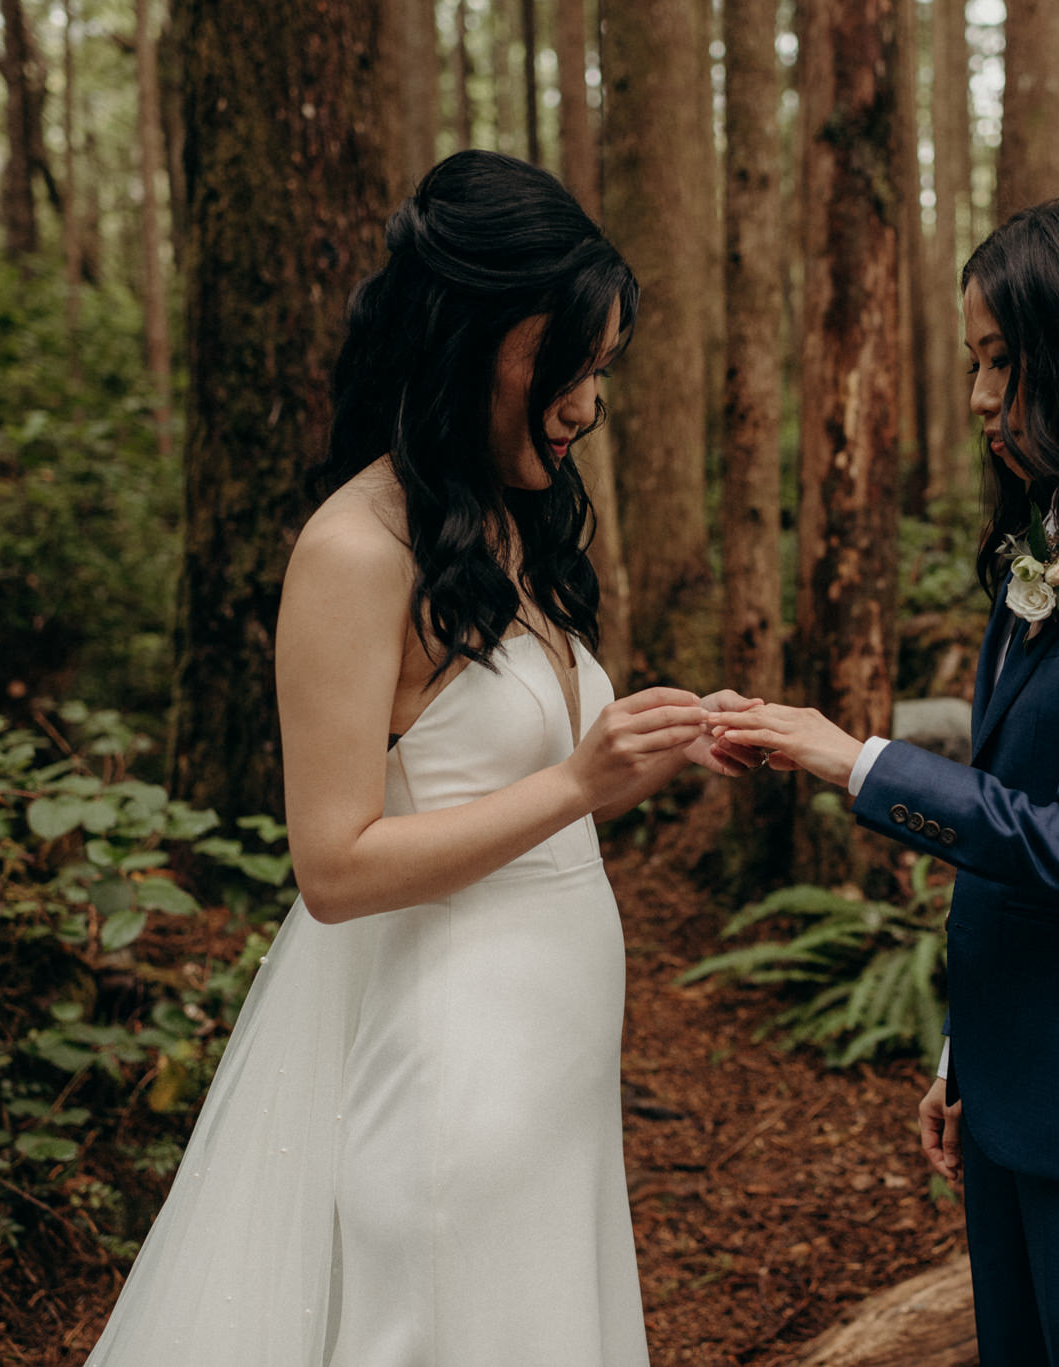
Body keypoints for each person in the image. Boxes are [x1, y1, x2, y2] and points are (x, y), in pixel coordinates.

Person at [86, 150, 757, 1367]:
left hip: (550, 1078)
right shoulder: (352, 550)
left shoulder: (505, 517)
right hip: (456, 1078)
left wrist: (653, 737)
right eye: (568, 365)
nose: (587, 404)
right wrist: (575, 784)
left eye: (601, 371)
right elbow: (333, 867)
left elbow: (508, 756)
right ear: (474, 338)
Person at [710, 190, 1059, 1367]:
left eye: (1001, 362)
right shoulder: (1058, 542)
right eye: (976, 362)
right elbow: (1014, 812)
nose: (977, 398)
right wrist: (969, 1054)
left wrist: (854, 758)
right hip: (1016, 1089)